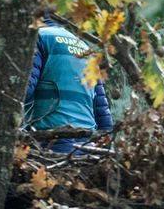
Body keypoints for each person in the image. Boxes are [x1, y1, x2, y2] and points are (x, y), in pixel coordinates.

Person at [23, 15, 114, 153]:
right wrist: (105, 147)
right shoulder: (85, 47)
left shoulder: (39, 37)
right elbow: (102, 109)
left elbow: (24, 90)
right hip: (87, 144)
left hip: (49, 141)